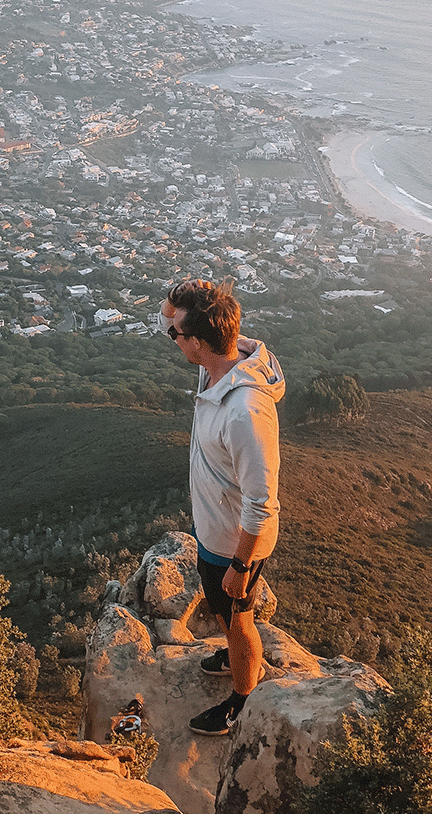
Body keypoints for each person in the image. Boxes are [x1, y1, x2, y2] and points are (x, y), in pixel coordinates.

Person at [160, 278, 285, 736]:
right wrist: (178, 297)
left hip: (237, 541)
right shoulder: (218, 364)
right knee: (221, 609)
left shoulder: (244, 410)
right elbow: (169, 319)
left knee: (237, 616)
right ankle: (234, 653)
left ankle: (242, 700)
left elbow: (261, 502)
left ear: (197, 342)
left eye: (179, 335)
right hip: (217, 530)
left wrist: (240, 564)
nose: (172, 338)